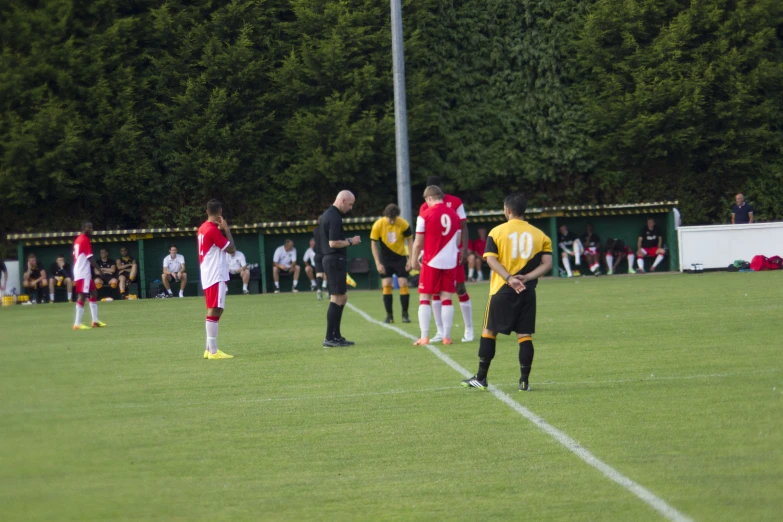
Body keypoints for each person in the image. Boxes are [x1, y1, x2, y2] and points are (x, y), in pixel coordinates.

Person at [462, 192, 553, 391]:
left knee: (489, 331)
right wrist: (527, 278)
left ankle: (481, 378)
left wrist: (509, 278)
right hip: (527, 290)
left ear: (507, 210)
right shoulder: (541, 235)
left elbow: (490, 259)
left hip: (502, 289)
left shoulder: (497, 232)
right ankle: (524, 381)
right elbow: (547, 264)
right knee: (524, 335)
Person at [418, 175, 474, 343]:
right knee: (435, 292)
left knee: (460, 288)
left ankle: (469, 328)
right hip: (433, 256)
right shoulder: (424, 207)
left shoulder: (455, 202)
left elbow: (463, 225)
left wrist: (464, 248)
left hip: (453, 253)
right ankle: (441, 331)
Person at [411, 186, 462, 346]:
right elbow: (458, 239)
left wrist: (413, 259)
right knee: (447, 297)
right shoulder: (454, 214)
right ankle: (446, 337)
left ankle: (424, 336)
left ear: (428, 199)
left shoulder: (425, 215)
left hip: (431, 260)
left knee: (425, 297)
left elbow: (418, 242)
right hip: (450, 260)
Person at [318, 190, 362, 347]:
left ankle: (336, 336)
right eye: (350, 204)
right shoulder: (334, 216)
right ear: (342, 200)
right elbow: (333, 243)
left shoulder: (329, 214)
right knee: (337, 298)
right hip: (334, 260)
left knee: (342, 298)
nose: (350, 208)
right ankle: (330, 338)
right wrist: (351, 241)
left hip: (334, 260)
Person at [197, 199, 236, 359]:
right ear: (220, 211)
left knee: (216, 308)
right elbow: (232, 249)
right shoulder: (213, 230)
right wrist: (226, 229)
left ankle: (208, 348)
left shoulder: (202, 228)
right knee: (215, 308)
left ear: (207, 211)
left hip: (208, 272)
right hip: (215, 273)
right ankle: (213, 350)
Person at [370, 203, 412, 324]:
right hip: (385, 259)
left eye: (394, 219)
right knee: (387, 283)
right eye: (390, 219)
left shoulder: (403, 223)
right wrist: (378, 263)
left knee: (403, 282)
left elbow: (410, 240)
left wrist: (410, 259)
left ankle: (405, 314)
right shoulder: (378, 225)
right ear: (385, 216)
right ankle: (389, 315)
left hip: (400, 257)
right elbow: (373, 244)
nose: (392, 221)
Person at [72, 221, 106, 329]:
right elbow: (89, 257)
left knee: (93, 292)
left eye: (92, 228)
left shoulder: (78, 239)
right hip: (82, 271)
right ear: (84, 228)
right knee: (82, 295)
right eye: (89, 228)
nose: (91, 230)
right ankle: (77, 324)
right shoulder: (85, 240)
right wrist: (99, 270)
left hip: (82, 270)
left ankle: (95, 321)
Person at [312, 225, 328, 301]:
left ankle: (319, 289)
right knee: (328, 272)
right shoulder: (327, 229)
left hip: (317, 254)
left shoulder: (315, 230)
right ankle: (328, 290)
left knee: (319, 274)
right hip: (326, 254)